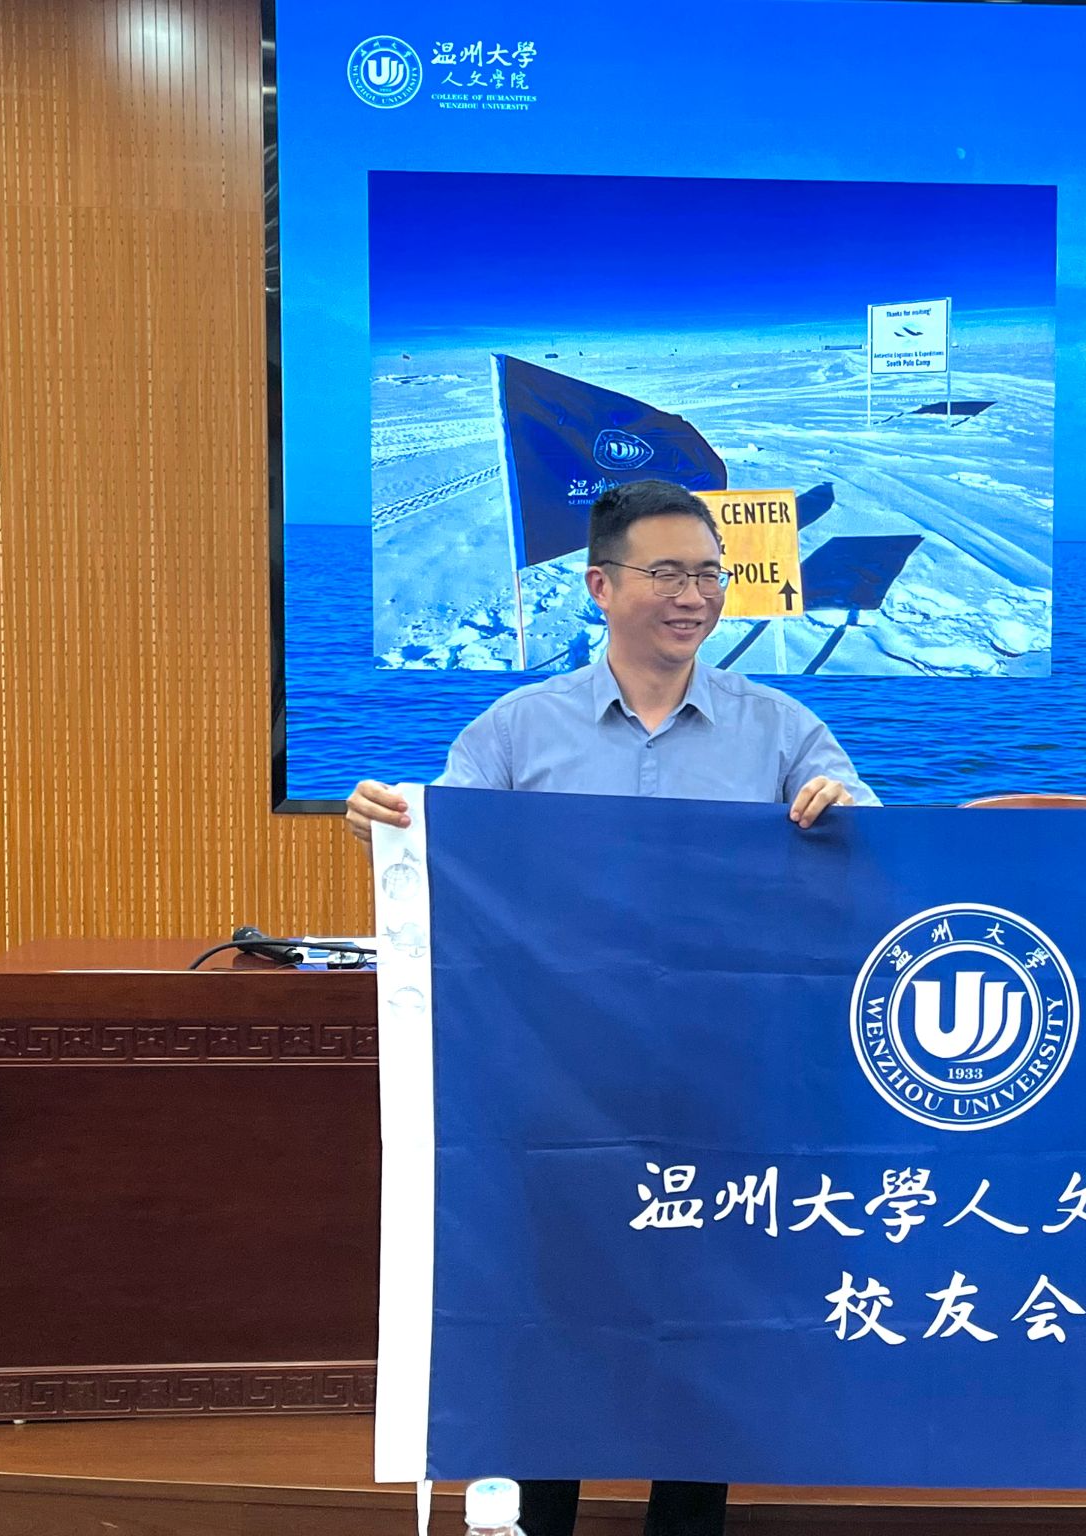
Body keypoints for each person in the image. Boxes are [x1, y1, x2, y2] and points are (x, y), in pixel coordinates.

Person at [348, 476, 877, 1536]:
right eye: (667, 573)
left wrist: (846, 814)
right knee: (556, 1316)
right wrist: (393, 831)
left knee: (703, 1323)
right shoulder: (516, 731)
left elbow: (864, 842)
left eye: (711, 575)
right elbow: (451, 860)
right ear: (599, 586)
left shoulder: (780, 728)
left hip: (721, 1087)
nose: (695, 596)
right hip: (558, 1089)